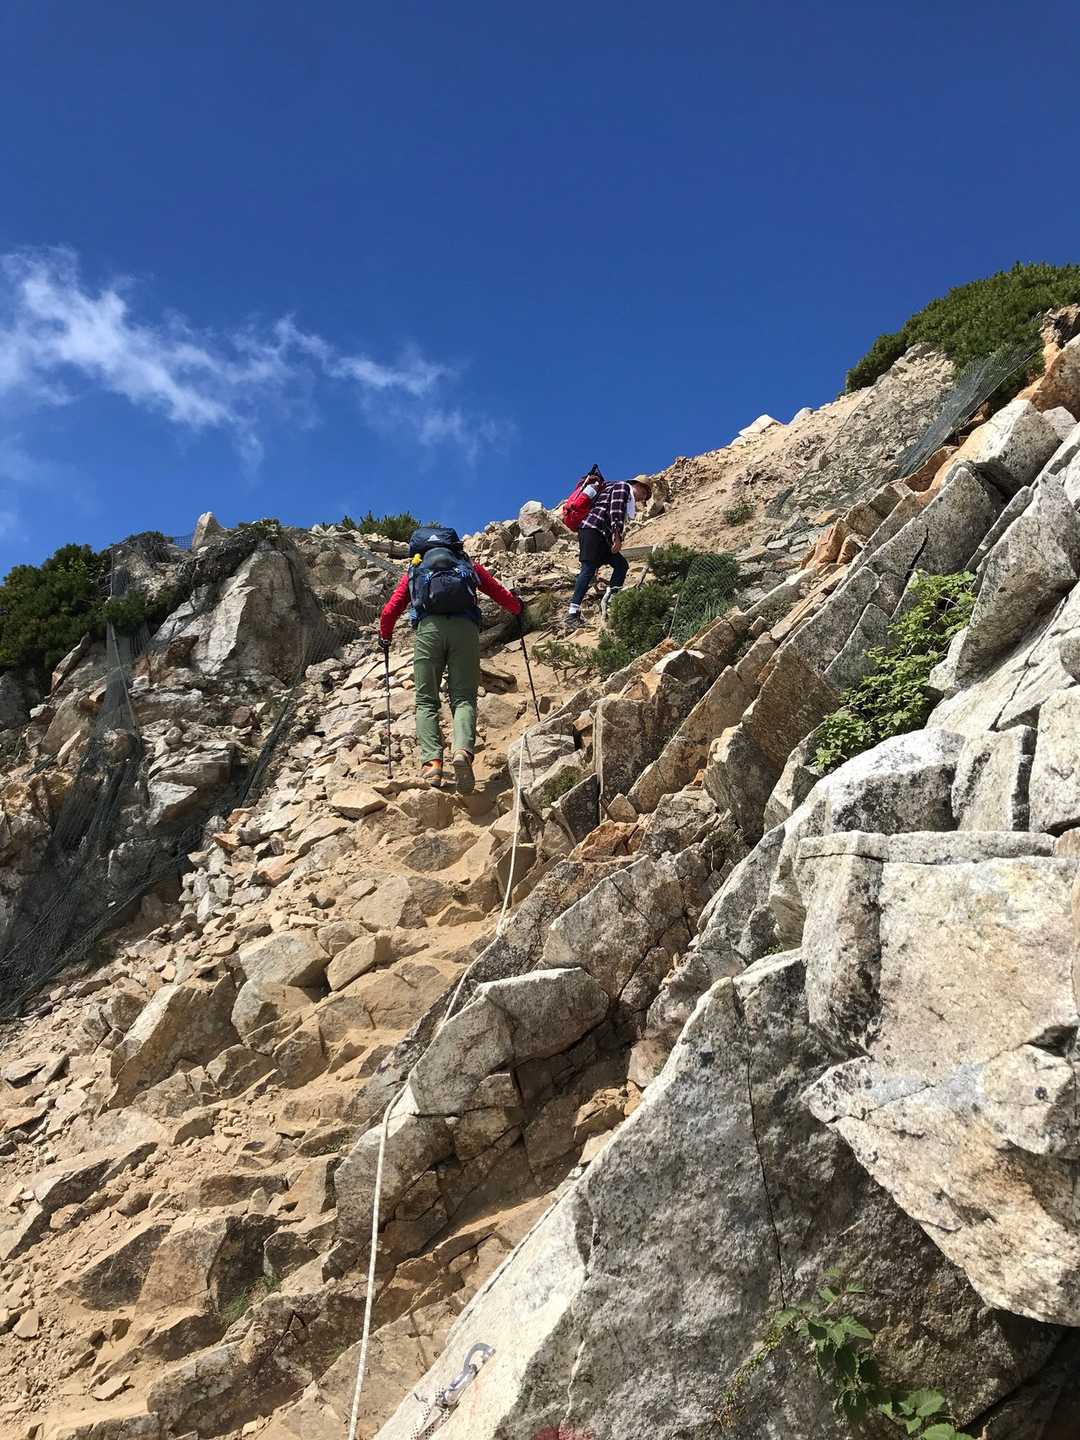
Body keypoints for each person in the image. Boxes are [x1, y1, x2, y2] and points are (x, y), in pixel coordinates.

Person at [379, 525, 523, 793]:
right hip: (465, 630)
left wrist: (385, 637)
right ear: (453, 545)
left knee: (426, 700)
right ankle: (462, 752)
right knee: (464, 697)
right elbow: (497, 591)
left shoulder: (416, 569)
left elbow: (389, 611)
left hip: (429, 631)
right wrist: (517, 608)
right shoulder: (466, 564)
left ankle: (432, 764)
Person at [565, 477, 653, 629]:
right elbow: (615, 510)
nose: (643, 498)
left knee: (621, 565)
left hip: (601, 535)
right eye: (644, 493)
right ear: (637, 485)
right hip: (593, 529)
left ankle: (612, 601)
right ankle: (572, 614)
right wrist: (617, 536)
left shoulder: (618, 489)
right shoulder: (623, 487)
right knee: (588, 569)